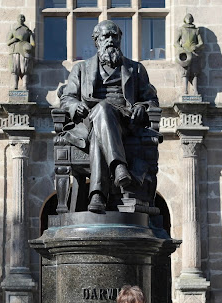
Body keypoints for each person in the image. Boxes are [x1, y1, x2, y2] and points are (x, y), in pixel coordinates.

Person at [58, 20, 159, 213]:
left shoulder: (135, 69)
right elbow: (67, 98)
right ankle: (119, 167)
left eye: (115, 36)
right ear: (96, 41)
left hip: (125, 121)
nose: (110, 40)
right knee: (102, 110)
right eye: (106, 36)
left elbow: (152, 100)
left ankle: (97, 195)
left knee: (100, 124)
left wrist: (142, 106)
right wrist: (74, 105)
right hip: (88, 120)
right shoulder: (81, 69)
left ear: (120, 39)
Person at [175, 14, 204, 95]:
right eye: (188, 18)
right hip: (185, 54)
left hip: (194, 53)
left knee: (195, 73)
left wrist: (196, 46)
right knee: (185, 73)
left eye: (190, 18)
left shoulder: (196, 30)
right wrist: (181, 49)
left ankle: (195, 91)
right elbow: (176, 42)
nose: (189, 19)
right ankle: (185, 91)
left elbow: (201, 43)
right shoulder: (181, 29)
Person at [7, 14, 35, 90]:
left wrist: (29, 46)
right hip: (15, 50)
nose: (21, 18)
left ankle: (25, 85)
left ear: (24, 19)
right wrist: (14, 39)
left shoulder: (28, 31)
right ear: (17, 19)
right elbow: (8, 42)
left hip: (25, 50)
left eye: (23, 17)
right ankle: (15, 86)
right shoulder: (13, 30)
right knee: (15, 69)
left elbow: (32, 43)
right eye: (20, 17)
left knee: (24, 69)